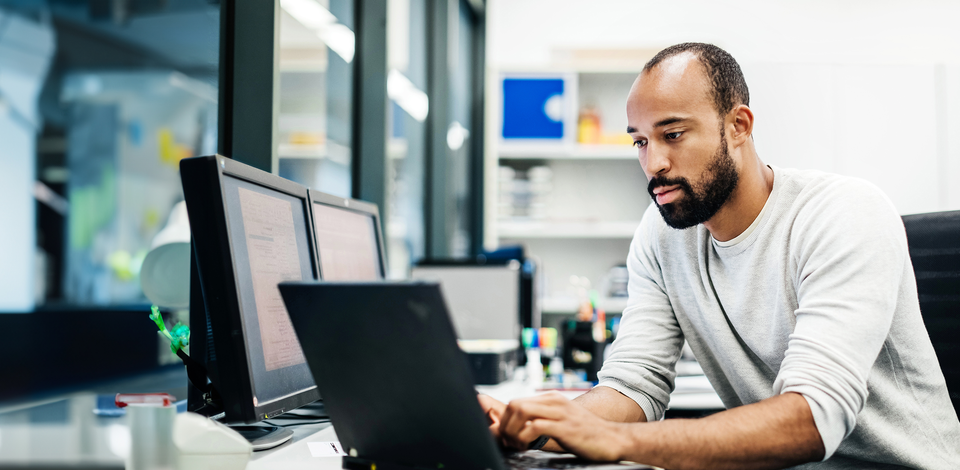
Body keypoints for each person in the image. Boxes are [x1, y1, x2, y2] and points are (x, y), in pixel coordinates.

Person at [479, 43, 960, 469]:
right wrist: (534, 424)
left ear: (738, 126)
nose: (654, 164)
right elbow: (633, 386)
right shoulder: (663, 235)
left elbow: (814, 419)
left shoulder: (843, 214)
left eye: (673, 134)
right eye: (641, 141)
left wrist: (612, 438)